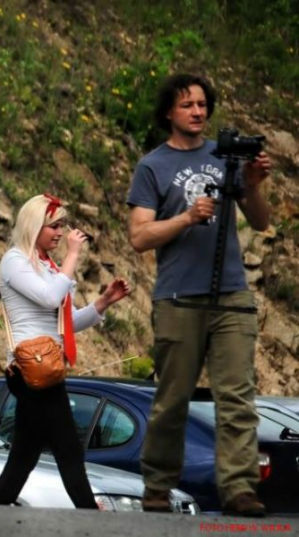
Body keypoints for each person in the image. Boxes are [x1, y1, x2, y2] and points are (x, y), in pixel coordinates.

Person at [128, 74, 271, 516]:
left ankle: (240, 489)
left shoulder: (227, 155)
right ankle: (157, 486)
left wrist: (253, 184)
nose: (197, 111)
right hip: (179, 296)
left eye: (203, 104)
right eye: (187, 104)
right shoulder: (153, 166)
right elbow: (139, 236)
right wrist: (187, 218)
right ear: (169, 112)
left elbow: (262, 222)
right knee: (172, 399)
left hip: (231, 296)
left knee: (237, 399)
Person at [0, 194, 131, 508]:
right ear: (34, 226)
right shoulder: (15, 261)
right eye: (54, 226)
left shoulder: (49, 266)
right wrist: (74, 254)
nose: (60, 233)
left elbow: (66, 322)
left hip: (46, 365)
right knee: (68, 446)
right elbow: (51, 299)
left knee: (24, 456)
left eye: (62, 226)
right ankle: (89, 511)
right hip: (30, 368)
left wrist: (104, 302)